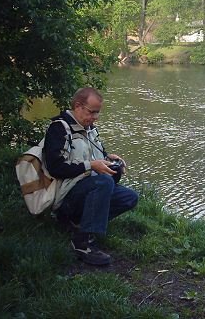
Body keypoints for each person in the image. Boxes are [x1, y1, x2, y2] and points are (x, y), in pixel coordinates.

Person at [43, 87, 139, 265]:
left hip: (88, 189)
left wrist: (109, 159)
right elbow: (55, 167)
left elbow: (95, 155)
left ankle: (80, 225)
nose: (96, 117)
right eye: (92, 112)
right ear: (78, 106)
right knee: (103, 182)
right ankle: (82, 243)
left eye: (98, 112)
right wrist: (90, 165)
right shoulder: (59, 128)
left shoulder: (90, 129)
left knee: (130, 197)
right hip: (65, 197)